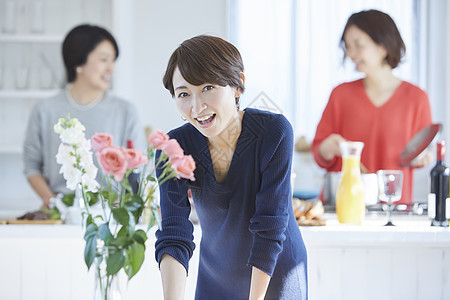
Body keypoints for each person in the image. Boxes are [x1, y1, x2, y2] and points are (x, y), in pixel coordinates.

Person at [155, 35, 307, 299]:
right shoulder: (173, 147)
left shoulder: (273, 132)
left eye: (208, 88)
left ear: (238, 85)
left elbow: (270, 226)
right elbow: (174, 233)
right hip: (215, 277)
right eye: (183, 94)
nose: (197, 106)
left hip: (274, 276)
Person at [312, 9, 432, 206]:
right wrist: (327, 147)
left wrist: (423, 158)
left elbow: (420, 153)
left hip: (393, 211)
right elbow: (319, 152)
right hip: (342, 207)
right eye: (348, 47)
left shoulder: (417, 99)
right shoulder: (340, 94)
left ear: (383, 46)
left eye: (358, 45)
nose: (350, 54)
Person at [23, 24, 146, 208]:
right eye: (104, 59)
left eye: (113, 61)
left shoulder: (125, 111)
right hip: (61, 215)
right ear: (78, 61)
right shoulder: (44, 110)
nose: (111, 69)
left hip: (112, 215)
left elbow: (138, 169)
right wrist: (55, 205)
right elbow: (31, 167)